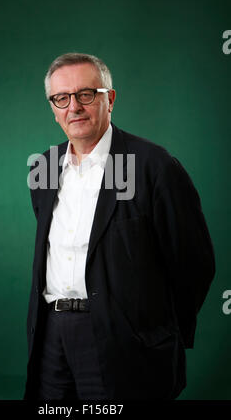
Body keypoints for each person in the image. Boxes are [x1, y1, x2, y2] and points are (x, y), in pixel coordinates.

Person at [23, 52, 215, 401]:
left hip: (124, 342)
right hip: (52, 336)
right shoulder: (44, 168)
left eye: (86, 94)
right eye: (61, 98)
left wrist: (158, 332)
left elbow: (194, 264)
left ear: (109, 99)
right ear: (53, 108)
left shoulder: (154, 166)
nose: (74, 107)